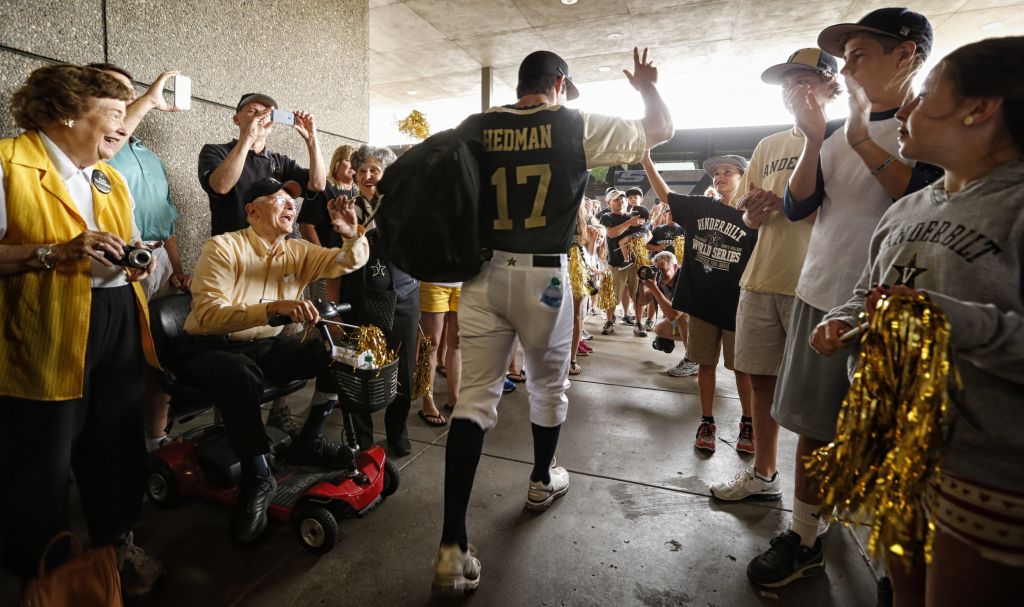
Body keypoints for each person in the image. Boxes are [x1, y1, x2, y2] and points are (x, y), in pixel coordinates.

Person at [432, 47, 672, 594]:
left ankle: (451, 548)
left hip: (483, 273)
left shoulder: (478, 124)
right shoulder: (573, 124)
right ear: (559, 84)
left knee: (473, 400)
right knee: (547, 387)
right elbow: (661, 128)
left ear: (521, 83)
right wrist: (647, 88)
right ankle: (541, 479)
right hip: (545, 275)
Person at [811, 36, 1024, 606]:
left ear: (980, 109)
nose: (904, 110)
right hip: (898, 446)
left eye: (925, 95)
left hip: (984, 470)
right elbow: (867, 291)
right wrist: (843, 320)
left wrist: (949, 322)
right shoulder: (907, 208)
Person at [747, 8, 943, 588]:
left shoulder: (930, 124)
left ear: (906, 55)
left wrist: (858, 135)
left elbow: (923, 196)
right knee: (813, 426)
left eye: (860, 55)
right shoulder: (831, 137)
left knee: (890, 443)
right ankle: (806, 536)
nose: (847, 68)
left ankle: (893, 570)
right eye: (847, 57)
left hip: (891, 310)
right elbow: (800, 206)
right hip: (819, 295)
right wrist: (815, 139)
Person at [0, 64, 163, 596]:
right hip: (43, 329)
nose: (124, 127)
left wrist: (139, 263)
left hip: (116, 319)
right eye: (115, 115)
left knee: (116, 443)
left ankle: (116, 546)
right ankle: (46, 576)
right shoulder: (8, 163)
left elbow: (133, 245)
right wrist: (56, 252)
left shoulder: (109, 177)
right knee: (41, 459)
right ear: (68, 111)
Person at [175, 177, 368, 544]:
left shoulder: (296, 250)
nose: (290, 206)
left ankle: (309, 439)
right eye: (279, 200)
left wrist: (349, 233)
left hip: (263, 347)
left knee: (333, 352)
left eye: (292, 202)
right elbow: (211, 314)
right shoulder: (223, 248)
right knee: (239, 373)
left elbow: (348, 262)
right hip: (209, 348)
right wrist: (274, 309)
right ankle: (257, 474)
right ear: (252, 211)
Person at [709, 48, 840, 502]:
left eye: (804, 80)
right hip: (761, 278)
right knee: (760, 381)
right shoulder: (769, 145)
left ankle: (823, 495)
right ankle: (765, 474)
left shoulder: (846, 140)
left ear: (831, 85)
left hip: (817, 288)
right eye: (788, 83)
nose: (793, 90)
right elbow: (747, 219)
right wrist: (756, 211)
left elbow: (840, 220)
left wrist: (791, 206)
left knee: (819, 400)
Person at [198, 92, 328, 436]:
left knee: (282, 336)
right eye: (251, 112)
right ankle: (226, 423)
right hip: (234, 259)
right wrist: (246, 139)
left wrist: (312, 139)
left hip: (276, 258)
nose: (260, 117)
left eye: (266, 113)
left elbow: (317, 184)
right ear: (236, 119)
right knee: (235, 339)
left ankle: (279, 407)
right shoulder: (217, 151)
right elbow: (222, 185)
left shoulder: (278, 161)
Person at [90, 63, 192, 454]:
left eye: (130, 93)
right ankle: (111, 444)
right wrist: (148, 101)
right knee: (120, 360)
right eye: (116, 92)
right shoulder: (98, 147)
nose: (127, 100)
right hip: (112, 265)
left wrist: (178, 270)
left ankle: (155, 440)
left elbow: (166, 220)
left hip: (157, 260)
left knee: (159, 354)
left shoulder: (148, 155)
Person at [642, 150, 756, 453]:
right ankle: (706, 420)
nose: (719, 177)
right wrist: (645, 160)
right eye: (716, 173)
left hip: (736, 304)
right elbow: (666, 194)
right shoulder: (701, 207)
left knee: (741, 370)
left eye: (728, 171)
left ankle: (749, 423)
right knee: (705, 365)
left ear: (743, 177)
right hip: (702, 303)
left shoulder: (752, 216)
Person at [335, 145, 421, 457]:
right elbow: (336, 264)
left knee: (404, 367)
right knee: (358, 368)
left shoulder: (403, 207)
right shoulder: (345, 208)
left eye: (375, 170)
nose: (368, 175)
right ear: (355, 177)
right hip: (357, 299)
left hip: (403, 298)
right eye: (362, 171)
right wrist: (334, 311)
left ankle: (398, 432)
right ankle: (361, 438)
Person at [298, 143, 358, 303]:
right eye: (349, 160)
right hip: (327, 265)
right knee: (327, 316)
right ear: (337, 162)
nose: (353, 165)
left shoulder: (357, 193)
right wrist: (324, 257)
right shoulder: (324, 188)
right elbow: (305, 226)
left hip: (352, 265)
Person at [645, 205, 697, 376]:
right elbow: (641, 301)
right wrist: (643, 284)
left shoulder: (684, 278)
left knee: (682, 318)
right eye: (657, 270)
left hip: (706, 323)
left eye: (664, 270)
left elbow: (674, 314)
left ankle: (694, 359)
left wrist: (654, 288)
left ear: (675, 267)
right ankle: (695, 346)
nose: (660, 275)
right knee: (660, 329)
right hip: (689, 322)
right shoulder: (659, 278)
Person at [599, 189, 644, 335]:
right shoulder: (606, 217)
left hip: (635, 263)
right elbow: (611, 234)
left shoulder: (635, 216)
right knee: (613, 296)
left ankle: (638, 323)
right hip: (616, 263)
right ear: (609, 202)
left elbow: (645, 233)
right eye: (616, 199)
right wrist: (629, 223)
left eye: (622, 198)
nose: (621, 201)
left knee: (637, 295)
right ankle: (610, 321)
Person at [418, 280, 461, 425]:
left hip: (465, 282)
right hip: (434, 280)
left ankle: (454, 398)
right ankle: (427, 403)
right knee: (430, 344)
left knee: (457, 342)